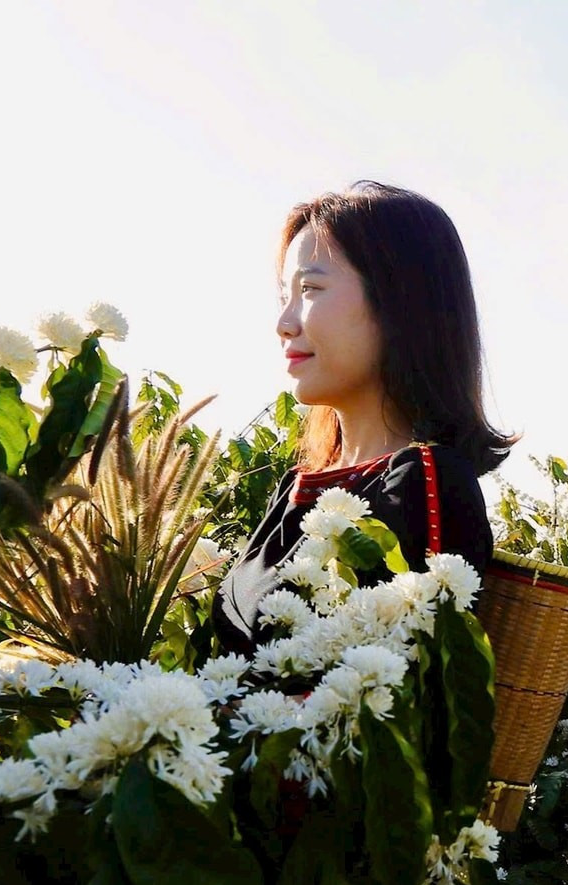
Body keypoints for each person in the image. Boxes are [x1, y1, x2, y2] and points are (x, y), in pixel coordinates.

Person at [214, 182, 511, 655]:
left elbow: (398, 681)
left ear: (399, 304)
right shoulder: (295, 486)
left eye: (310, 289)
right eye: (285, 295)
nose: (284, 323)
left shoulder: (425, 482)